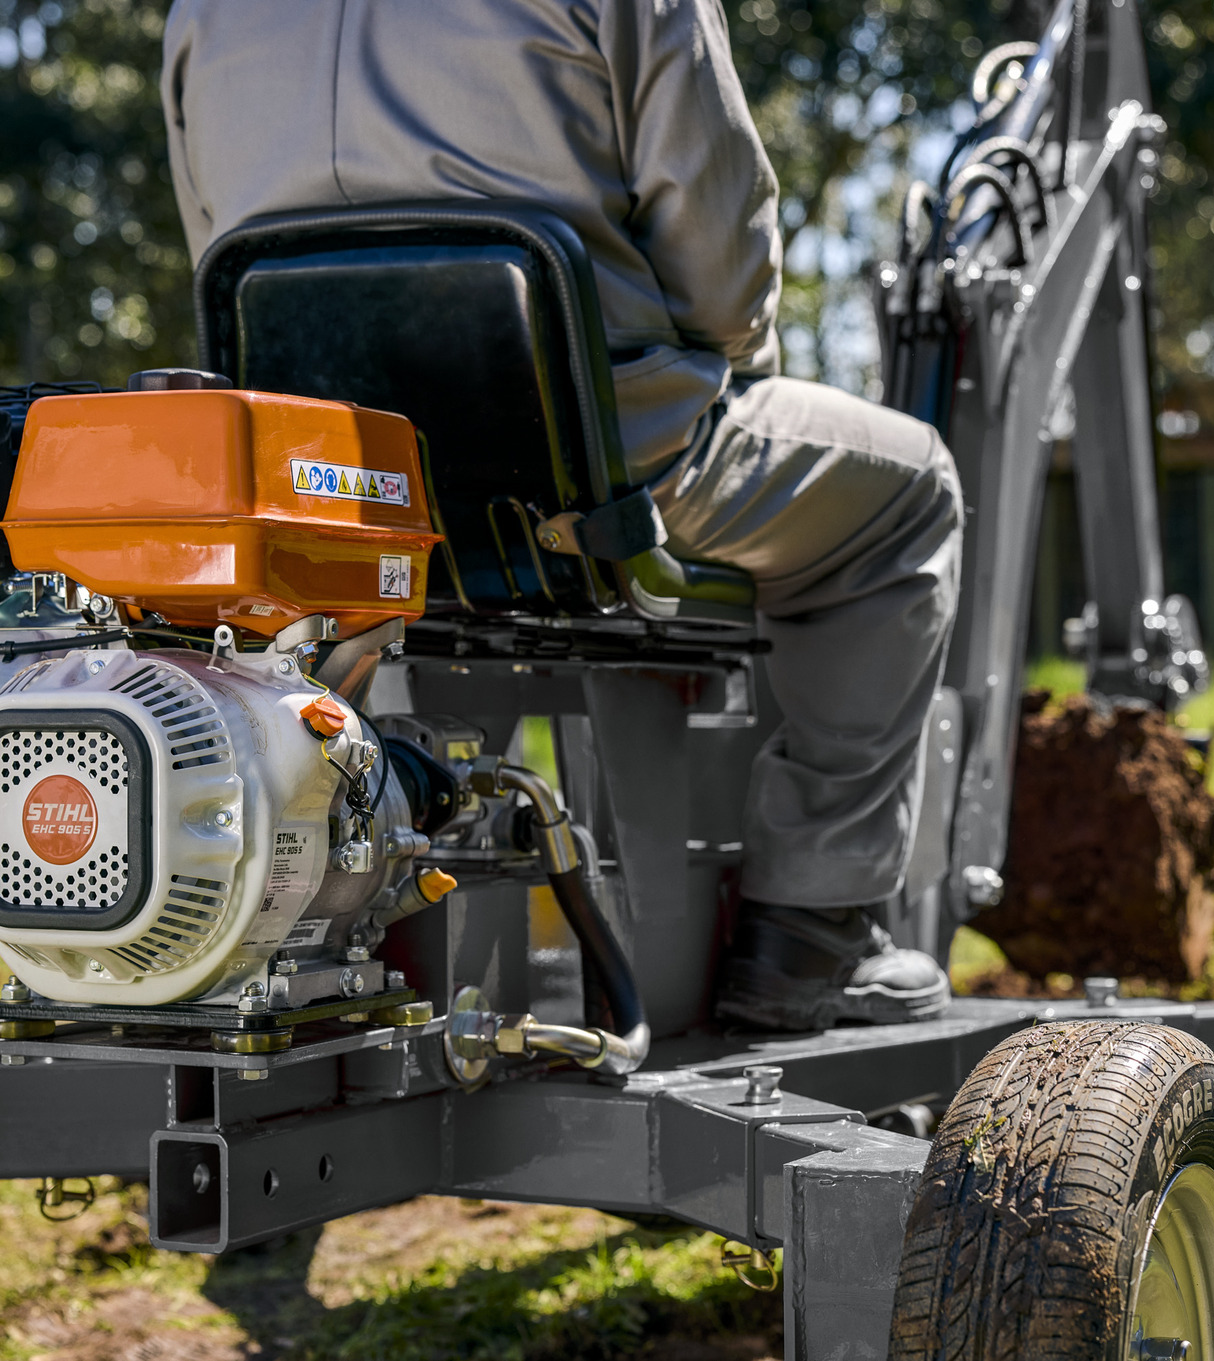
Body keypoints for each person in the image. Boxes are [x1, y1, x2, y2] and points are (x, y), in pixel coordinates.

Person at [161, 0, 963, 1032]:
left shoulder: (202, 14)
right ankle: (811, 927)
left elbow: (224, 253)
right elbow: (726, 278)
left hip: (351, 495)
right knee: (909, 492)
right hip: (598, 468)